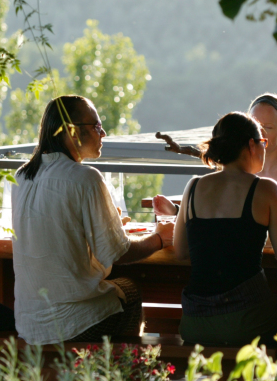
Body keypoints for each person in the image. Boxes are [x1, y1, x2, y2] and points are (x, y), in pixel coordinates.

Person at [11, 95, 174, 345]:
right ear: (72, 131)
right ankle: (123, 369)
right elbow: (118, 253)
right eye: (97, 126)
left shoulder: (22, 176)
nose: (103, 133)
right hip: (72, 323)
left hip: (28, 324)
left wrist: (107, 224)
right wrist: (160, 238)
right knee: (130, 291)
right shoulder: (85, 178)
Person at [171, 111, 277, 348]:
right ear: (251, 144)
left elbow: (180, 251)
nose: (265, 148)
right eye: (263, 142)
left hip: (195, 322)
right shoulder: (265, 188)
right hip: (248, 319)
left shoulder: (193, 186)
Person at [155, 93, 277, 231]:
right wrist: (176, 211)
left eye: (268, 127)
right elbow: (215, 214)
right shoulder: (233, 165)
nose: (260, 134)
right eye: (254, 126)